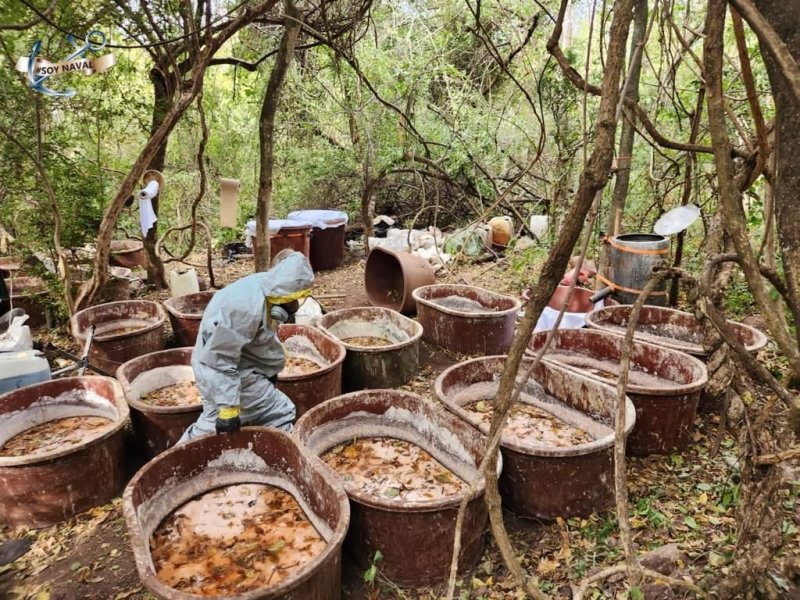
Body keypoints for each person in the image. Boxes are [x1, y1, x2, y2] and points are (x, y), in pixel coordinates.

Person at [178, 250, 314, 443]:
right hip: (229, 375)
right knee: (279, 413)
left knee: (212, 421)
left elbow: (259, 338)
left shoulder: (265, 286)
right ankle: (290, 456)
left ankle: (181, 458)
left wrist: (270, 367)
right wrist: (229, 408)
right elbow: (219, 359)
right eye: (293, 298)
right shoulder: (244, 309)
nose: (294, 305)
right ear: (285, 291)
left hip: (236, 371)